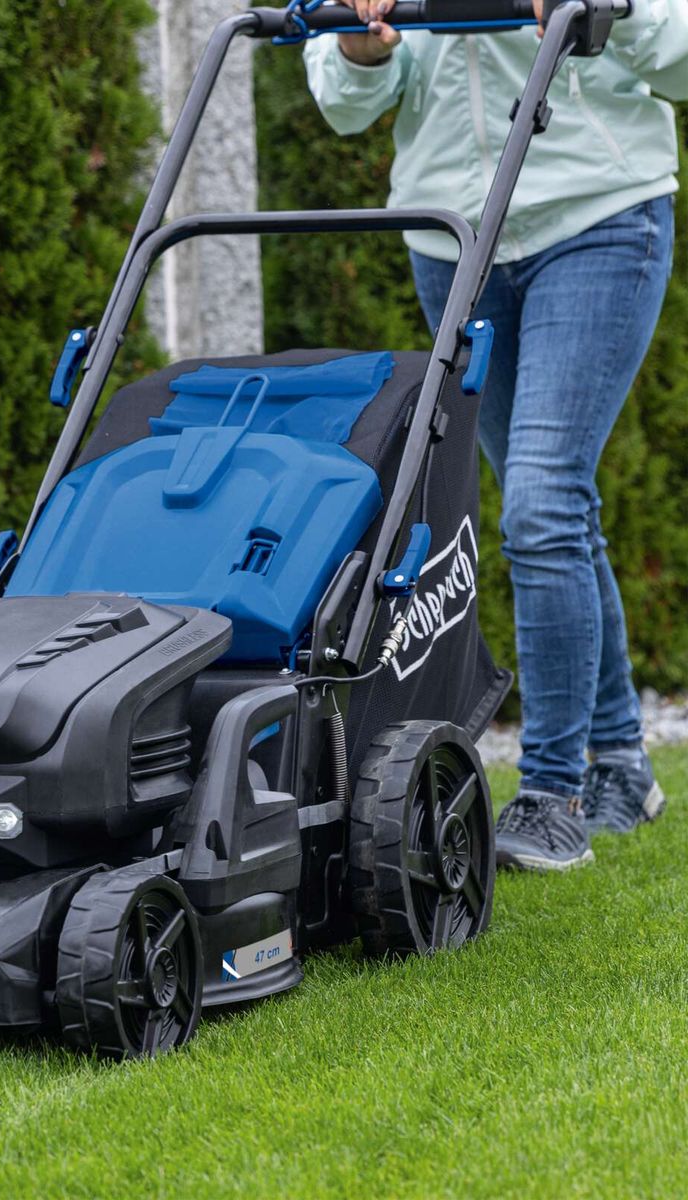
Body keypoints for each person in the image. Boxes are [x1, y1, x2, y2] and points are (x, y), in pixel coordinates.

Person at [305, 0, 688, 871]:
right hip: (456, 241)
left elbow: (681, 56)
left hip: (595, 216)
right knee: (546, 504)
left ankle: (553, 795)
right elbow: (346, 101)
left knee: (543, 502)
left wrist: (606, 9)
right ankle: (623, 764)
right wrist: (364, 49)